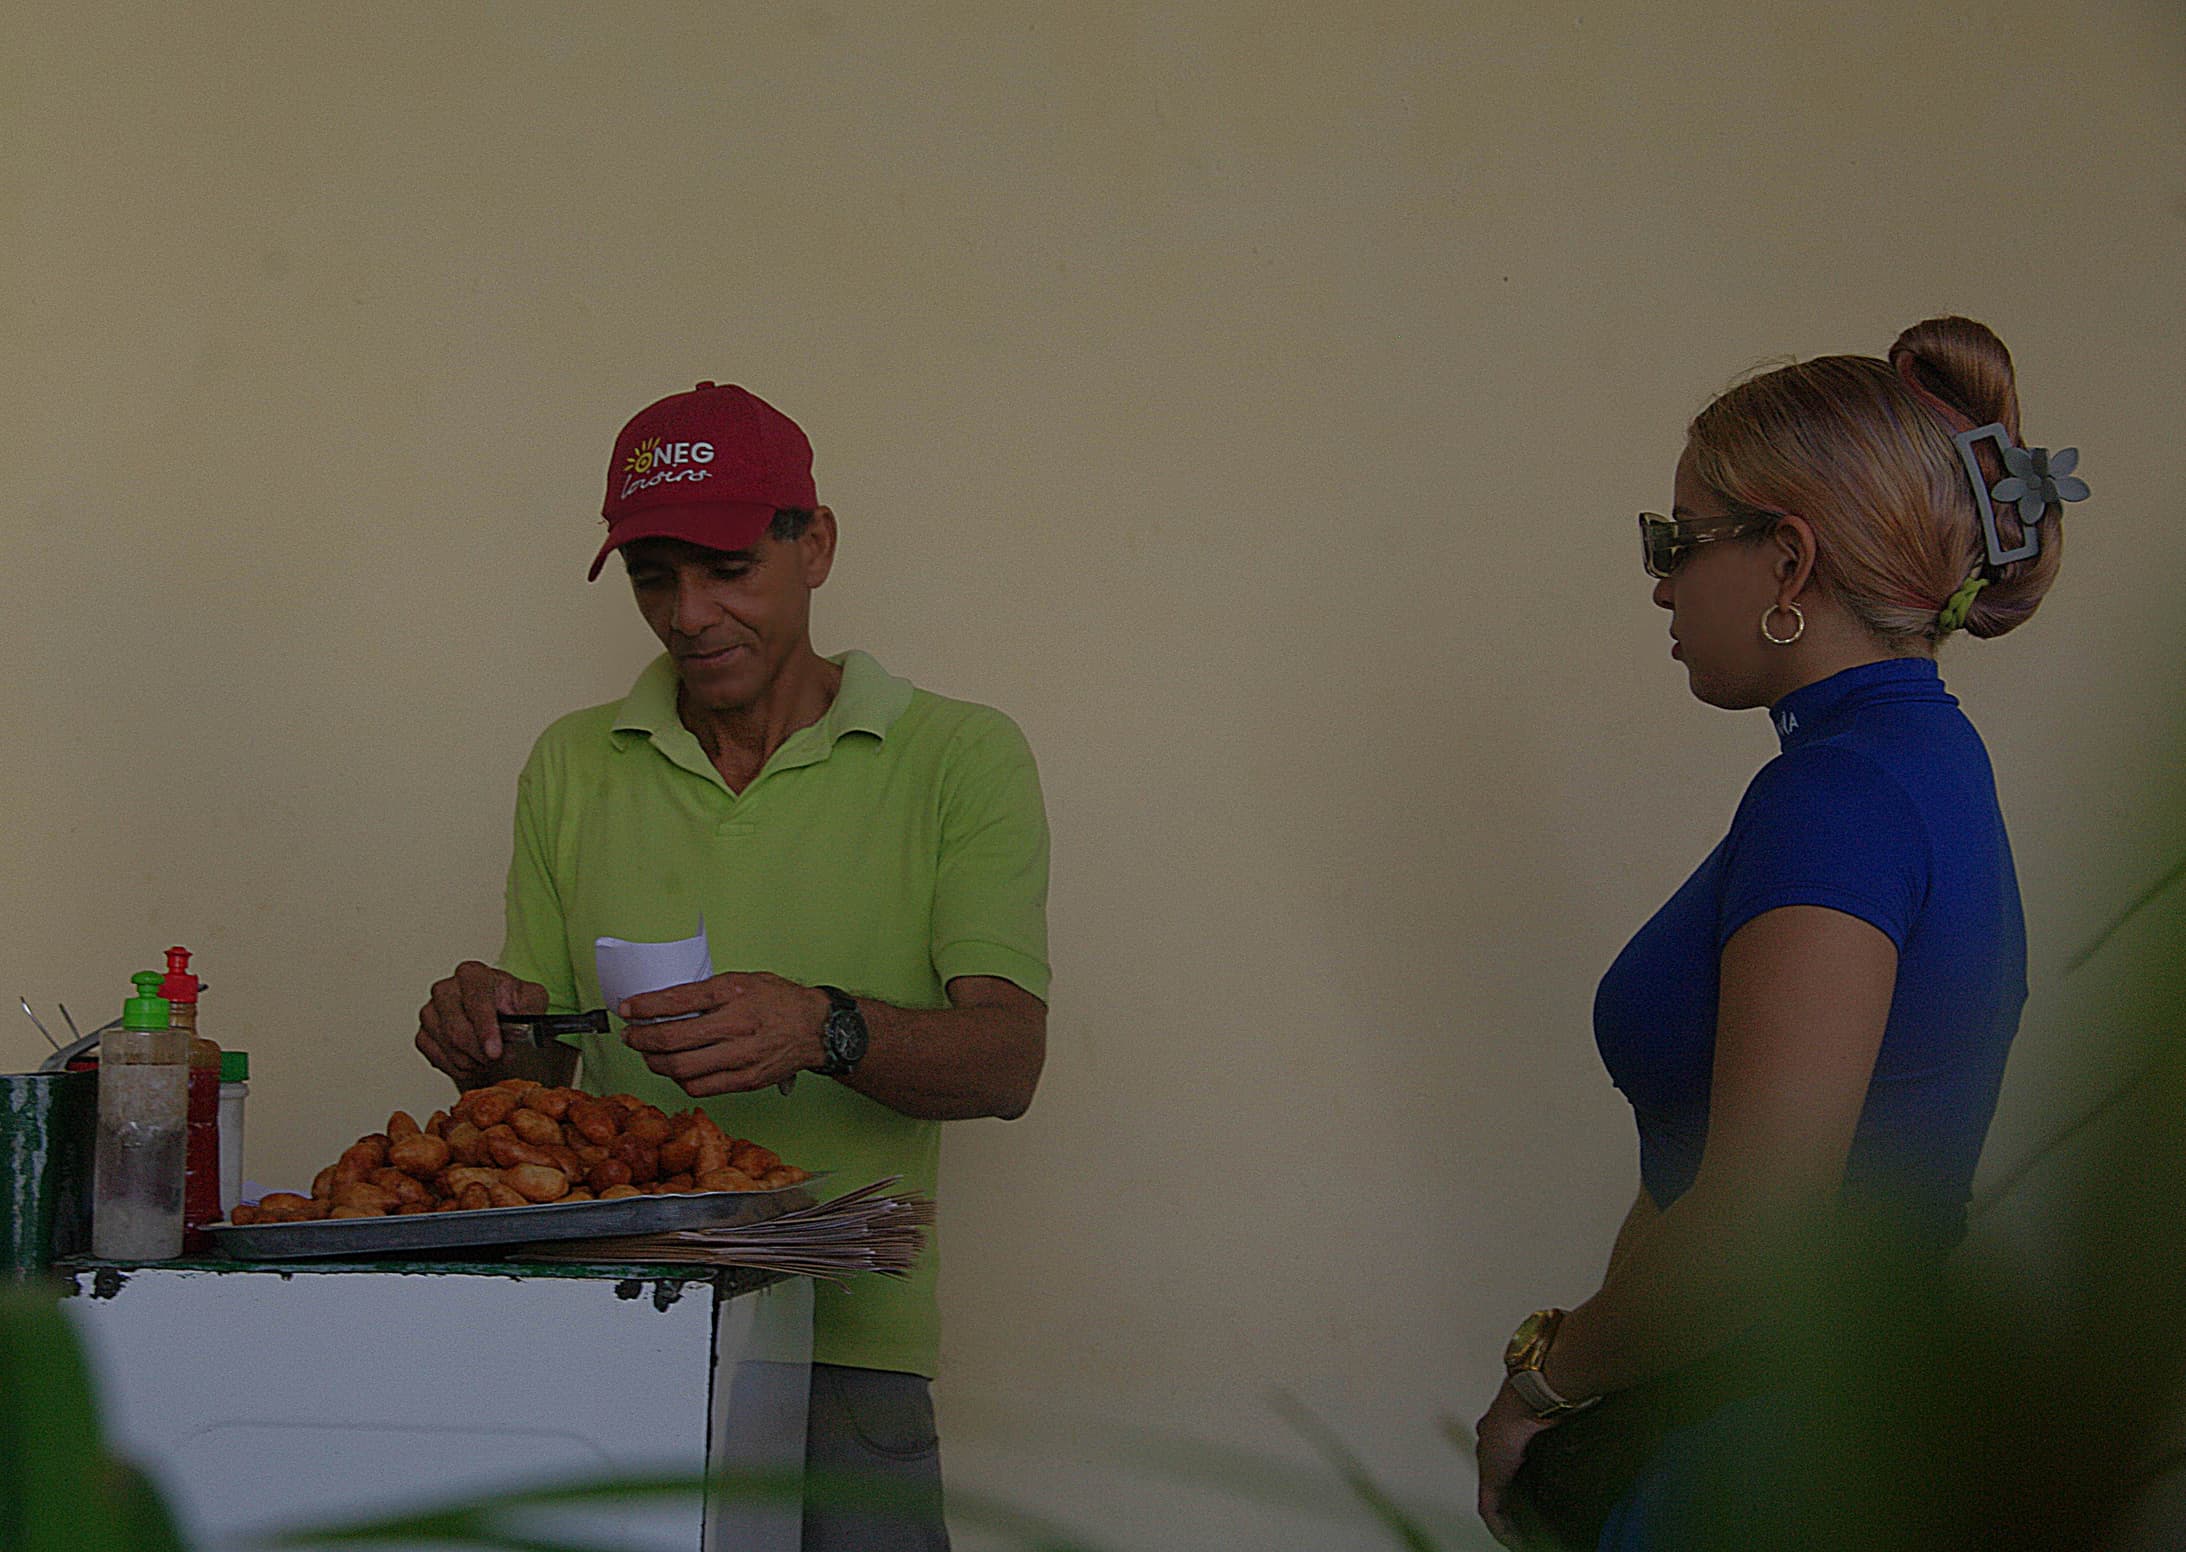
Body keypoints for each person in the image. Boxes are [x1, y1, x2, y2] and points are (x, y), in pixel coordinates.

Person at [1472, 317, 2085, 1549]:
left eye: (1678, 539)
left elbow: (1757, 1217)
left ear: (1787, 562)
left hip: (1769, 1456)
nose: (1657, 579)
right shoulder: (1918, 759)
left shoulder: (1838, 796)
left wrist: (1540, 1382)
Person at [414, 381, 1051, 1552]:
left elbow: (1008, 1059)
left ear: (814, 546)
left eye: (723, 569)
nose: (688, 613)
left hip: (845, 1349)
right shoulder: (573, 762)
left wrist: (823, 1026)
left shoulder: (957, 756)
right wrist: (489, 1034)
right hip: (606, 1328)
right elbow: (543, 1079)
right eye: (655, 577)